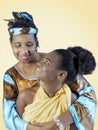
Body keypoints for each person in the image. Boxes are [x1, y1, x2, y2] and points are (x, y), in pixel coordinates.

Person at [3, 11, 97, 130]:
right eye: (17, 45)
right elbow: (10, 117)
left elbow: (89, 98)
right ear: (10, 44)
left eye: (29, 44)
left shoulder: (57, 63)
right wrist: (37, 128)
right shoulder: (11, 76)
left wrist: (56, 122)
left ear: (36, 42)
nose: (24, 51)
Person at [16, 46, 96, 130]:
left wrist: (55, 124)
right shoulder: (25, 96)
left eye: (47, 62)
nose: (38, 63)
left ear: (61, 74)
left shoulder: (71, 101)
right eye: (42, 60)